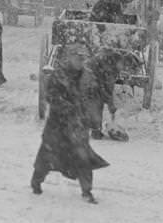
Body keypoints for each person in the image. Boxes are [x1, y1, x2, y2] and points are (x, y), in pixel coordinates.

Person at [31, 43, 109, 204]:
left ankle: (87, 191)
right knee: (47, 155)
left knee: (83, 158)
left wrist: (92, 117)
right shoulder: (59, 75)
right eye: (77, 58)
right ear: (69, 58)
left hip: (77, 126)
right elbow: (51, 97)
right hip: (58, 125)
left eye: (83, 58)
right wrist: (68, 107)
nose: (80, 61)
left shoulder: (88, 77)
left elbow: (94, 98)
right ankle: (36, 182)